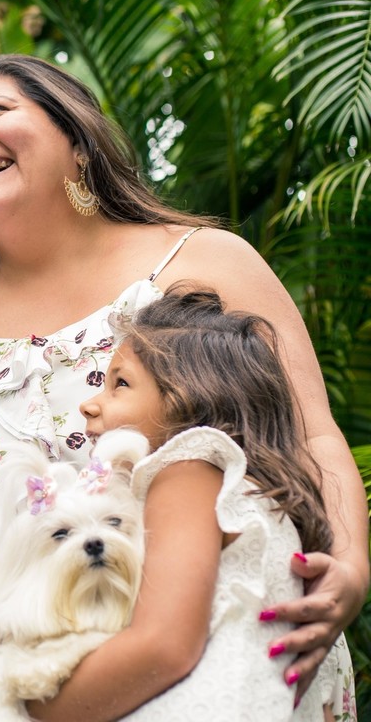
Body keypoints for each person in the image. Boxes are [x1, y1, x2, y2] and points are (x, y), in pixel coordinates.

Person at [0, 54, 367, 709]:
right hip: (55, 686)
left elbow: (313, 437)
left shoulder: (204, 260)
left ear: (75, 136)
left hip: (239, 660)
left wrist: (349, 569)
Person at [32, 287, 350, 719]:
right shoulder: (250, 491)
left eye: (120, 383)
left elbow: (164, 646)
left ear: (189, 397)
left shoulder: (187, 468)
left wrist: (27, 705)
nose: (89, 405)